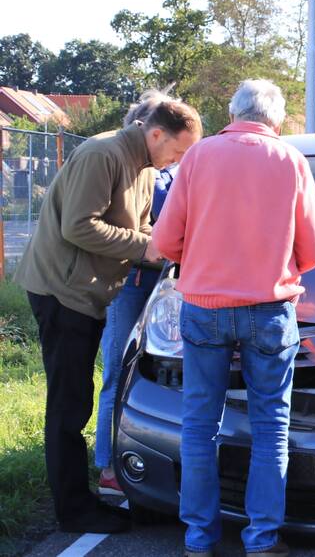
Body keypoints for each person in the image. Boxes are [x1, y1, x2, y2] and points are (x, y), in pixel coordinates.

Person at [153, 79, 315, 557]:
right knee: (271, 425)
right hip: (269, 312)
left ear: (233, 112)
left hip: (204, 309)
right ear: (275, 118)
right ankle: (262, 539)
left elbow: (166, 242)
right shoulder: (291, 161)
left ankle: (198, 539)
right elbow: (314, 249)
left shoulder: (199, 157)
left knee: (198, 425)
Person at [14, 98, 202, 534]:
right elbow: (78, 226)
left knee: (76, 398)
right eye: (178, 151)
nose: (179, 161)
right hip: (62, 293)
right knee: (68, 405)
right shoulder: (102, 154)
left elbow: (142, 229)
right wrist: (145, 247)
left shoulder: (144, 166)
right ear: (156, 134)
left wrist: (177, 245)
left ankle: (81, 501)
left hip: (87, 294)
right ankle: (73, 511)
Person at [95, 92, 181, 496]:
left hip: (166, 281)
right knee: (118, 369)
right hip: (129, 282)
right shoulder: (121, 162)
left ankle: (150, 457)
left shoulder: (166, 169)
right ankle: (108, 464)